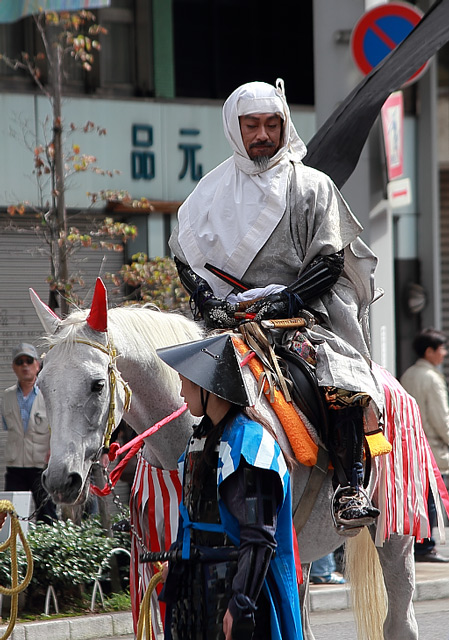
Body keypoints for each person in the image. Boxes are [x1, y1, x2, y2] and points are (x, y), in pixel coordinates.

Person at [169, 78, 382, 532]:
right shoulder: (208, 192)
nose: (262, 134)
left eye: (271, 124)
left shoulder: (312, 186)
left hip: (299, 316)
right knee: (166, 386)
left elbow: (330, 261)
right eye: (252, 125)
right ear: (235, 128)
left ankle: (349, 485)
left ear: (285, 126)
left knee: (339, 375)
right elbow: (185, 259)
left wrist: (286, 297)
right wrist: (207, 300)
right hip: (227, 320)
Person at [156, 333, 302, 640]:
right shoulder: (199, 440)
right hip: (197, 589)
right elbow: (192, 517)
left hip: (237, 590)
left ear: (208, 385)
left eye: (185, 380)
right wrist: (177, 556)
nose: (181, 391)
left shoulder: (250, 444)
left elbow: (259, 538)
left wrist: (241, 604)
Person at [400, 328, 449, 563]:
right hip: (431, 448)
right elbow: (443, 420)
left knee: (418, 497)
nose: (444, 353)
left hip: (411, 446)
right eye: (441, 348)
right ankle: (426, 547)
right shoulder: (432, 378)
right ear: (429, 351)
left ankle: (420, 544)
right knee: (430, 498)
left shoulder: (408, 374)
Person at [2, 343, 57, 525]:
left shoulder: (48, 395)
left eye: (29, 361)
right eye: (20, 362)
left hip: (41, 467)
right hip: (15, 467)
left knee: (47, 517)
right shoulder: (7, 397)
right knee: (11, 518)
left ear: (37, 365)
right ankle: (13, 552)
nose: (24, 366)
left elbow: (56, 429)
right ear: (14, 367)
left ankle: (48, 551)